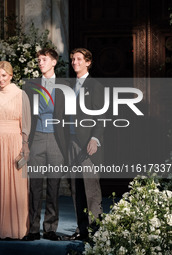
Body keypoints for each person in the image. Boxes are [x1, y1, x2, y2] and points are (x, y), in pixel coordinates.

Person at [0, 61, 31, 240]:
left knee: (15, 183)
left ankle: (16, 228)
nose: (0, 79)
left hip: (14, 141)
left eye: (4, 75)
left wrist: (25, 145)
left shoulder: (21, 94)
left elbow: (25, 123)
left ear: (11, 76)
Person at [23, 48, 67, 241]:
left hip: (57, 140)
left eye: (44, 60)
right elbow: (23, 112)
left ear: (54, 62)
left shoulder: (66, 85)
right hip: (37, 138)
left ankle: (50, 228)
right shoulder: (30, 85)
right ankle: (32, 229)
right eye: (39, 60)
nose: (40, 63)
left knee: (53, 186)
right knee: (34, 186)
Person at [66, 48, 104, 241]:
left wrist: (95, 139)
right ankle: (82, 230)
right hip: (72, 142)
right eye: (73, 59)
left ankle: (95, 231)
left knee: (91, 188)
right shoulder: (70, 86)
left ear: (88, 62)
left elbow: (101, 115)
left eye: (79, 59)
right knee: (77, 189)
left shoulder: (95, 86)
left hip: (88, 144)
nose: (75, 62)